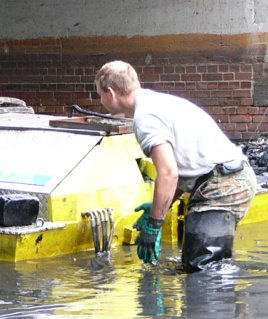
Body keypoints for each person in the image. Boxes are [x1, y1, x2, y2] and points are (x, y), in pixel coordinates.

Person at [94, 60, 257, 272]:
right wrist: (159, 208)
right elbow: (188, 169)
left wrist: (154, 225)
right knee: (205, 265)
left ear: (111, 92)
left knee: (202, 268)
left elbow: (168, 173)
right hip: (229, 178)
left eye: (100, 95)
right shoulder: (158, 102)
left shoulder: (146, 119)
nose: (101, 100)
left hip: (223, 186)